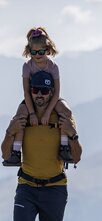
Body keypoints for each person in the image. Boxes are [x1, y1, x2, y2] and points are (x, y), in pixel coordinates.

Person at [1, 71, 82, 221]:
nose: (39, 95)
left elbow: (76, 156)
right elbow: (6, 154)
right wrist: (9, 131)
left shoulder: (62, 116)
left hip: (55, 187)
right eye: (35, 89)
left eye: (44, 91)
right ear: (29, 90)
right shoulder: (22, 116)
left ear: (52, 92)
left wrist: (73, 133)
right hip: (26, 185)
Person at [3, 26, 73, 166]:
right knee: (20, 117)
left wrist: (47, 113)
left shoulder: (53, 67)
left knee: (66, 112)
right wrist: (32, 114)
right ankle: (16, 152)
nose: (37, 55)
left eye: (41, 51)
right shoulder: (27, 66)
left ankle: (65, 146)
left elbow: (57, 91)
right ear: (29, 51)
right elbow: (26, 91)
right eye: (33, 52)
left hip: (51, 96)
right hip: (32, 96)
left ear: (47, 49)